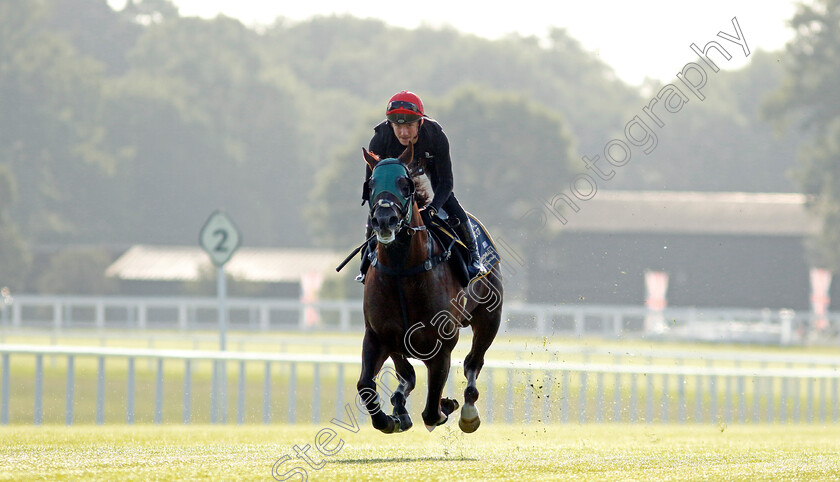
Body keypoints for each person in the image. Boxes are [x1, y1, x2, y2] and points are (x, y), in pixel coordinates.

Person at [356, 90, 485, 283]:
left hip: (432, 183)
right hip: (395, 190)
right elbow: (370, 186)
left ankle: (475, 257)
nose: (403, 132)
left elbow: (447, 183)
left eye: (408, 126)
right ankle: (365, 264)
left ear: (420, 122)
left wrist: (432, 210)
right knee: (378, 215)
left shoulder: (436, 136)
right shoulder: (380, 138)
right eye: (397, 126)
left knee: (455, 209)